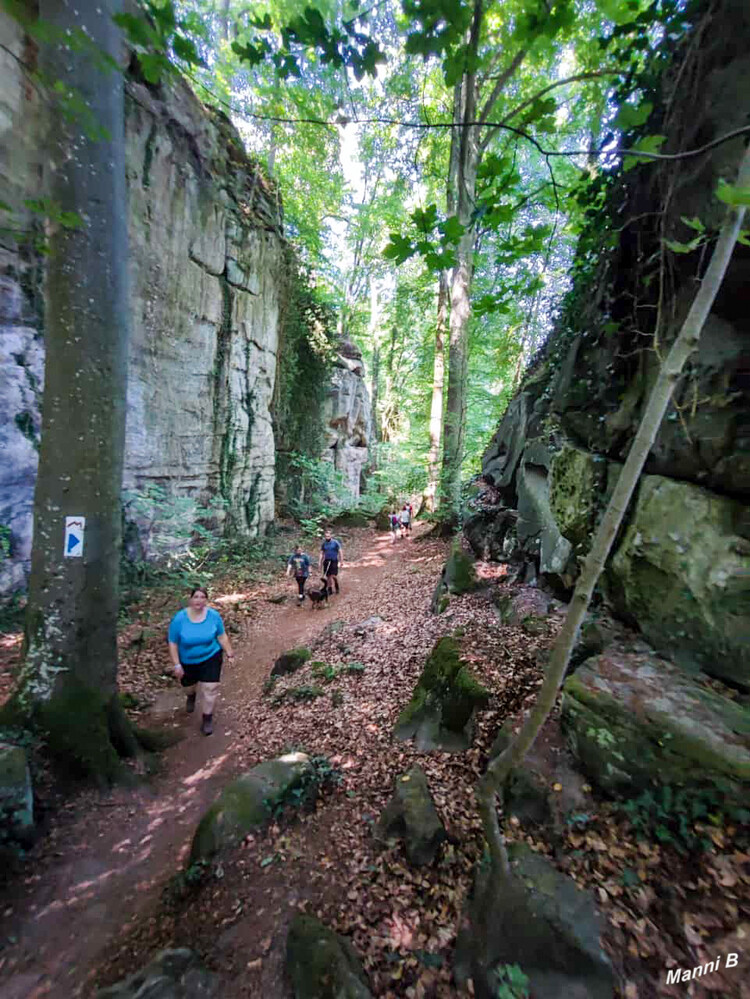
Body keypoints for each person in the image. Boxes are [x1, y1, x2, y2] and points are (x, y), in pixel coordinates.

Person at [168, 586, 234, 736]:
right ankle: (191, 696)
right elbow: (173, 643)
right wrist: (177, 664)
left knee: (210, 688)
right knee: (189, 687)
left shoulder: (213, 616)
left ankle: (207, 718)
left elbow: (221, 636)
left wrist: (230, 653)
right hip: (187, 660)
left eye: (202, 597)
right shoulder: (179, 619)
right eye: (196, 597)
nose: (199, 600)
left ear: (206, 600)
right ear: (190, 599)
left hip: (211, 656)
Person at [319, 527, 343, 595]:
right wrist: (320, 562)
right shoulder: (324, 544)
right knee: (328, 576)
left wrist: (341, 561)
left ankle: (336, 585)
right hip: (326, 560)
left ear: (331, 536)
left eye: (328, 536)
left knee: (333, 576)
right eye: (326, 536)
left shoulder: (335, 542)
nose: (327, 537)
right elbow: (321, 553)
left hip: (334, 560)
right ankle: (330, 589)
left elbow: (340, 551)